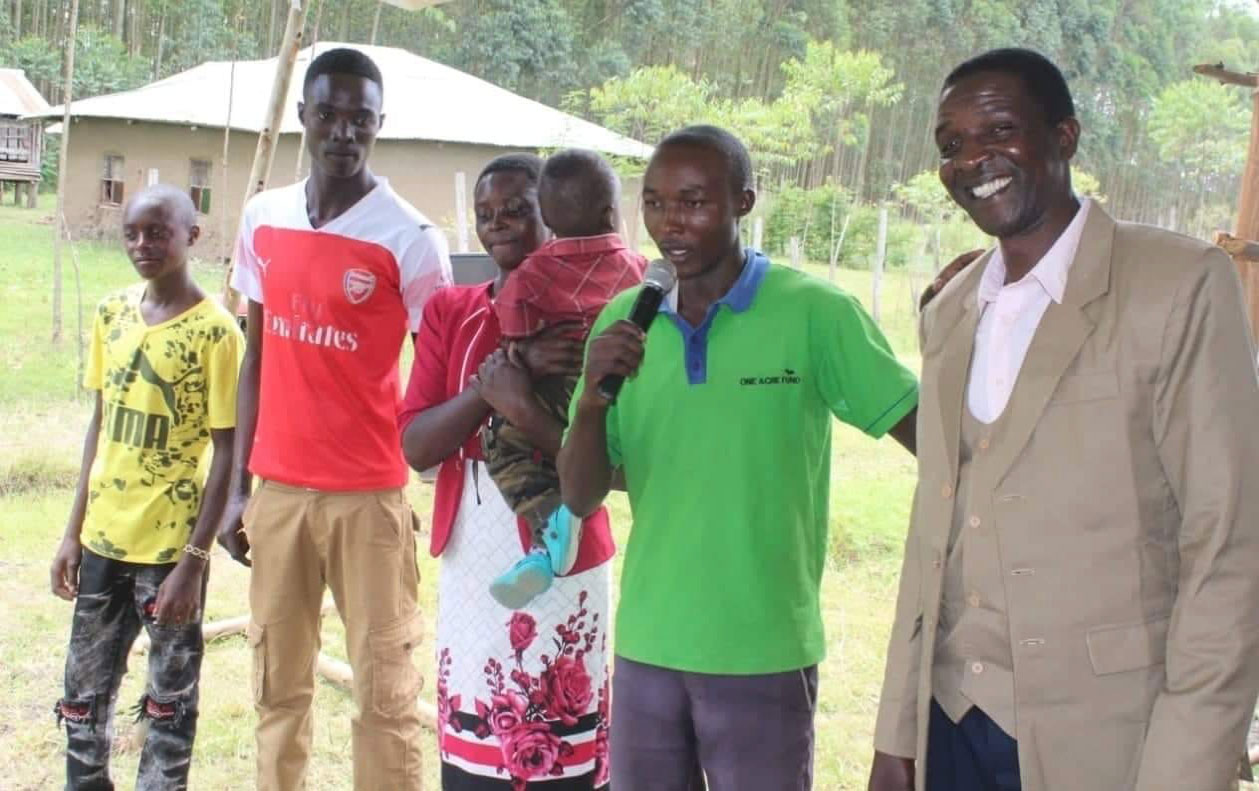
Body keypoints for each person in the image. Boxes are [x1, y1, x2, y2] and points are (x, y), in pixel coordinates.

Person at [868, 48, 1259, 791]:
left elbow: (1229, 547)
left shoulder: (1174, 286)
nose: (971, 159)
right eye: (950, 145)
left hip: (1110, 736)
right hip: (950, 721)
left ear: (1064, 136)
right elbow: (931, 538)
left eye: (998, 130)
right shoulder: (950, 313)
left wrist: (1185, 770)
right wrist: (896, 733)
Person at [559, 125, 919, 791]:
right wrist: (590, 403)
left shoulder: (815, 312)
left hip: (763, 648)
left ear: (744, 201)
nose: (672, 224)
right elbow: (579, 496)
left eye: (694, 202)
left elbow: (931, 436)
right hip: (647, 646)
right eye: (656, 203)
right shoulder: (621, 321)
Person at [216, 47, 451, 791]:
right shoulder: (264, 218)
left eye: (361, 120)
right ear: (303, 117)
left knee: (384, 693)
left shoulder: (411, 238)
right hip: (278, 495)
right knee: (277, 690)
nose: (344, 132)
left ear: (379, 127)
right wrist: (236, 490)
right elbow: (255, 357)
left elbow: (436, 370)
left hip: (369, 499)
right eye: (329, 115)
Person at [400, 153, 616, 790]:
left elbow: (615, 444)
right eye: (486, 215)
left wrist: (531, 390)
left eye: (518, 210)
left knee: (565, 759)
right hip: (472, 550)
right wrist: (497, 382)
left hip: (566, 544)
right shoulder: (450, 310)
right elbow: (416, 445)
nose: (499, 225)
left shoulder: (593, 312)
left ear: (551, 216)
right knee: (475, 762)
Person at [50, 184, 242, 790]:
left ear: (193, 235)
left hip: (169, 552)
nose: (142, 244)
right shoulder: (111, 313)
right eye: (132, 233)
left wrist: (194, 561)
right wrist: (71, 532)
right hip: (104, 540)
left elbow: (231, 450)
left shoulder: (216, 334)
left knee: (168, 704)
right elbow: (100, 424)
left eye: (157, 233)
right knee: (82, 699)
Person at [484, 148, 646, 609]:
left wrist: (526, 348)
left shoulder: (534, 270)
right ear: (611, 210)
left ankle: (550, 522)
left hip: (557, 386)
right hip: (621, 388)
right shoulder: (635, 266)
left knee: (504, 442)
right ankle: (555, 535)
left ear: (547, 220)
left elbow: (511, 321)